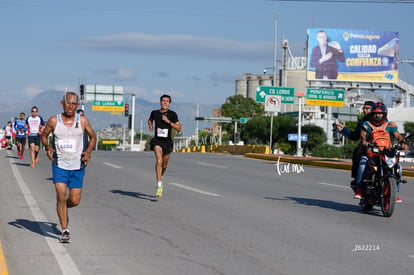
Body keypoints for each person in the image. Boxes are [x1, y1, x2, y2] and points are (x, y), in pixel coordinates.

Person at [41, 92, 96, 243]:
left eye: (73, 104)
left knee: (74, 200)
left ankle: (63, 208)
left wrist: (88, 152)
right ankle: (65, 230)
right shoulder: (54, 121)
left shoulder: (82, 121)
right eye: (67, 103)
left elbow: (93, 137)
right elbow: (44, 135)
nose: (70, 106)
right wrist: (47, 147)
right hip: (60, 165)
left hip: (78, 166)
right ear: (62, 103)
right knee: (60, 196)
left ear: (77, 105)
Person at [354, 102, 408, 201]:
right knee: (362, 164)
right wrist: (365, 142)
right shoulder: (367, 124)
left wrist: (402, 142)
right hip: (371, 153)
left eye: (380, 113)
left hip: (386, 154)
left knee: (398, 167)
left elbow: (397, 135)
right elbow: (363, 137)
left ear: (384, 114)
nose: (377, 115)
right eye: (375, 113)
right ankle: (360, 189)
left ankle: (394, 193)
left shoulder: (389, 125)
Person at [148, 94, 181, 197]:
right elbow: (150, 119)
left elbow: (179, 128)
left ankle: (159, 178)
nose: (165, 102)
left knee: (164, 165)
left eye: (167, 101)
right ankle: (159, 185)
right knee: (159, 161)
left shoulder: (172, 114)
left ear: (169, 103)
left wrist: (168, 122)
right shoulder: (155, 113)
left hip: (167, 142)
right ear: (160, 102)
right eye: (163, 101)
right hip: (157, 141)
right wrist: (150, 125)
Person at [335, 101, 375, 185]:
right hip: (367, 147)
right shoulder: (362, 121)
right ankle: (358, 182)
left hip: (381, 147)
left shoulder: (383, 120)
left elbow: (390, 133)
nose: (364, 110)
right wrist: (343, 129)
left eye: (367, 108)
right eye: (364, 108)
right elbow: (355, 136)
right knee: (358, 155)